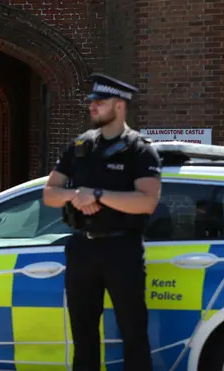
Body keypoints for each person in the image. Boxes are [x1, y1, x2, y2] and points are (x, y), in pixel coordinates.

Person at [42, 73, 162, 371]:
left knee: (133, 333)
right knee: (83, 336)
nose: (92, 107)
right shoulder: (80, 146)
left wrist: (97, 194)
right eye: (91, 102)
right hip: (83, 248)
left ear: (120, 106)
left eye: (100, 102)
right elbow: (49, 194)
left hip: (123, 249)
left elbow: (147, 201)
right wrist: (75, 197)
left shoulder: (140, 149)